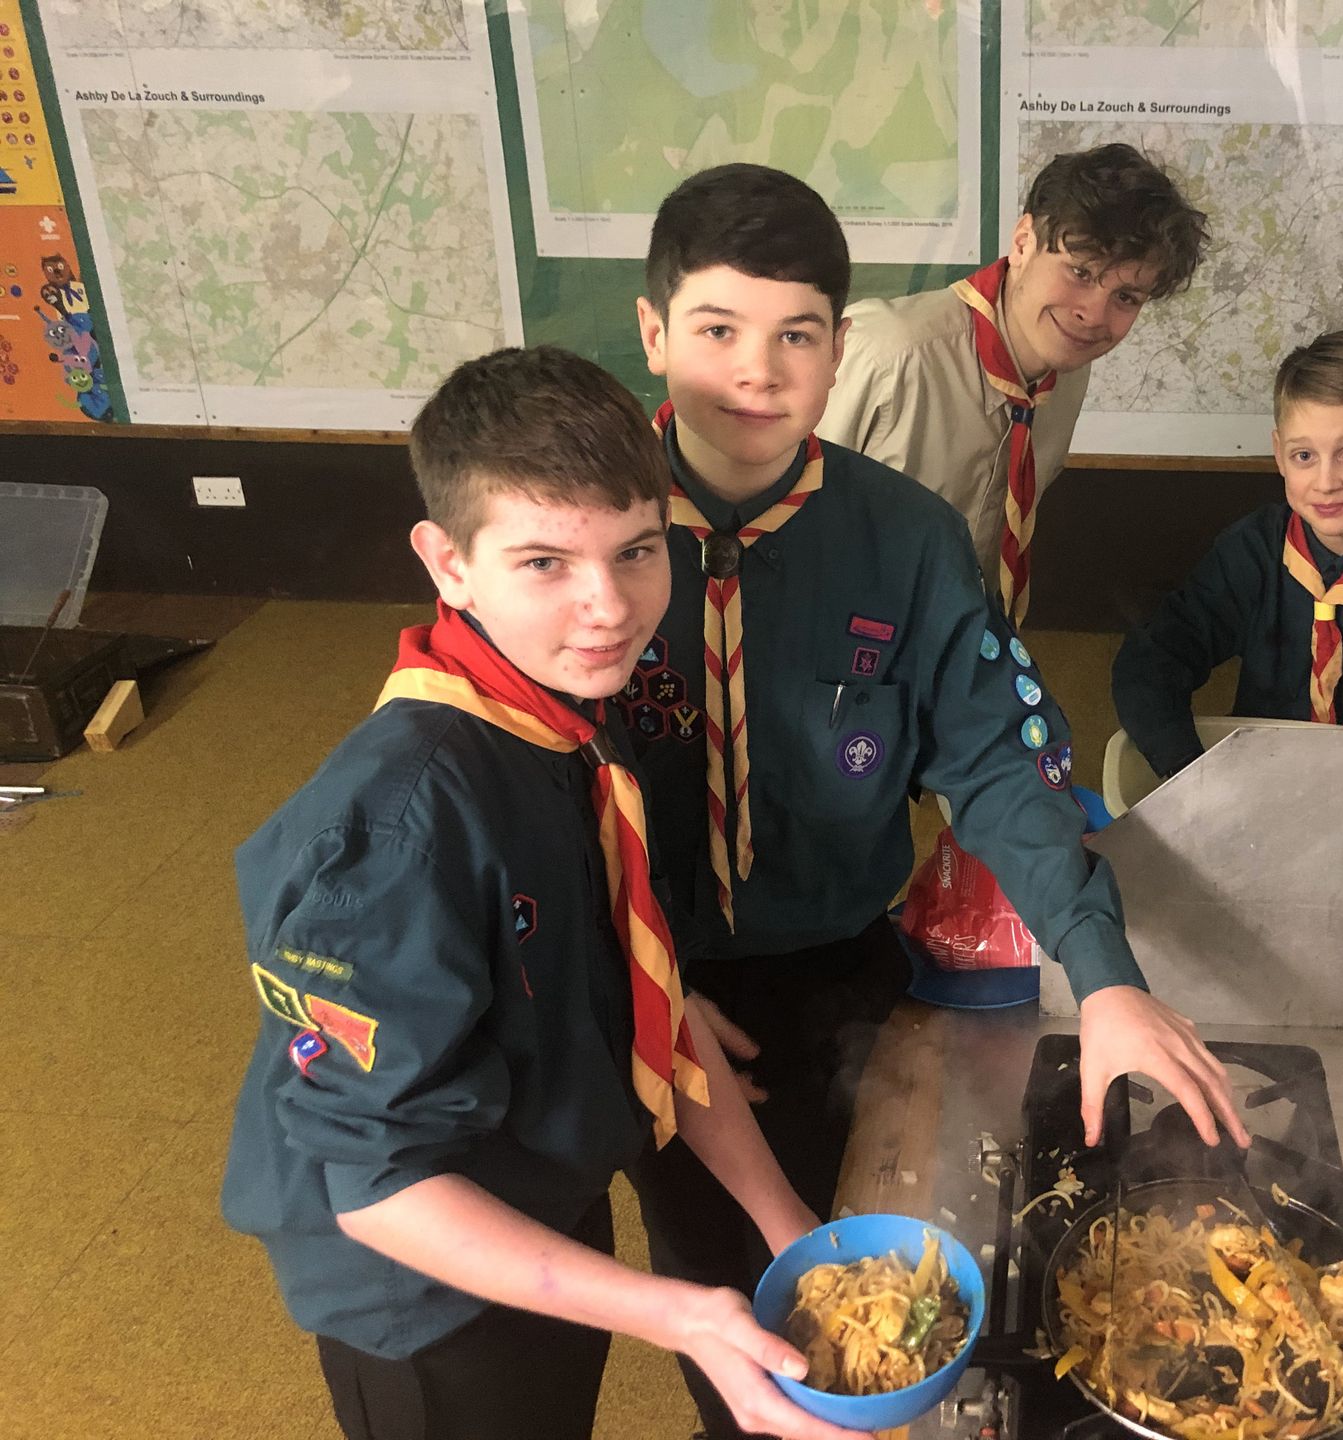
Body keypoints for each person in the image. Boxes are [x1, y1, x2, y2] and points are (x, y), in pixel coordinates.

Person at [623, 162, 1249, 1439]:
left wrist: (1106, 971)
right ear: (654, 334)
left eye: (797, 334)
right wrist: (627, 967)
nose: (758, 369)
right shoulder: (588, 524)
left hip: (846, 955)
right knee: (717, 1295)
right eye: (717, 330)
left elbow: (1000, 755)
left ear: (837, 347)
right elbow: (528, 776)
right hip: (653, 974)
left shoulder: (903, 538)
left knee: (858, 1248)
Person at [220, 347, 862, 1440]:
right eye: (544, 563)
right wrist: (683, 1314)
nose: (607, 608)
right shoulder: (400, 826)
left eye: (638, 550)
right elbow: (375, 1184)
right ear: (448, 562)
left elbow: (638, 978)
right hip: (424, 1294)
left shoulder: (567, 706)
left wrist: (789, 1224)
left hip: (543, 1198)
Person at [817, 142, 1208, 625]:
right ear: (1023, 242)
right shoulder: (888, 355)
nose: (1092, 314)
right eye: (1079, 272)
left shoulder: (1065, 373)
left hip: (963, 647)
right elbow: (782, 526)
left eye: (1126, 296)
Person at [1110, 330, 1343, 777]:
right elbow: (1151, 660)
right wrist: (1193, 776)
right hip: (1258, 788)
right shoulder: (1254, 549)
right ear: (1279, 454)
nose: (1326, 481)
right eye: (1304, 456)